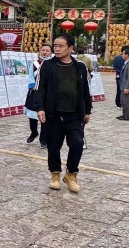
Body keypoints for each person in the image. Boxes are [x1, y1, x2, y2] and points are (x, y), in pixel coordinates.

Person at [34, 34, 92, 193]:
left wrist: (87, 110)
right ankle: (55, 175)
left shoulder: (80, 66)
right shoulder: (47, 65)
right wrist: (40, 108)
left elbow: (86, 90)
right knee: (53, 146)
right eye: (55, 46)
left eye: (61, 46)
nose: (57, 49)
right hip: (53, 114)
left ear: (71, 48)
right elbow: (40, 88)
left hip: (74, 115)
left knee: (77, 144)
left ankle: (71, 174)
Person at [25, 44, 52, 147]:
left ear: (51, 52)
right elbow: (31, 77)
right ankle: (34, 132)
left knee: (45, 117)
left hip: (48, 94)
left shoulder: (53, 64)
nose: (45, 52)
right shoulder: (35, 64)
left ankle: (43, 139)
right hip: (35, 92)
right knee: (32, 116)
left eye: (47, 50)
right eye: (43, 50)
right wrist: (33, 88)